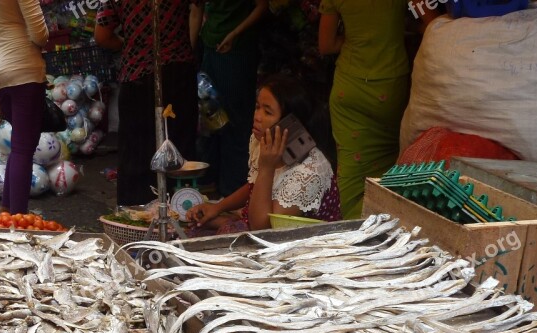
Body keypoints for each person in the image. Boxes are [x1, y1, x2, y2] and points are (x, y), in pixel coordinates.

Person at [318, 0, 440, 219]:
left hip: (349, 88)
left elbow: (326, 45)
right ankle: (383, 228)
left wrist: (355, 39)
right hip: (388, 88)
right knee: (388, 169)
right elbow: (433, 24)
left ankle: (350, 232)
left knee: (350, 171)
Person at [186, 74, 340, 234]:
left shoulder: (308, 172)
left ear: (291, 123)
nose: (257, 117)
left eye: (267, 112)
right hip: (258, 224)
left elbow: (263, 230)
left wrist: (267, 167)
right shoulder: (263, 141)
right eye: (257, 107)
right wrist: (217, 208)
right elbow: (254, 186)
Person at [96, 0, 199, 206]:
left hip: (138, 73)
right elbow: (198, 10)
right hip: (177, 71)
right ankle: (182, 210)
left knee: (136, 150)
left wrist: (128, 45)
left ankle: (135, 215)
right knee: (179, 145)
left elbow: (102, 35)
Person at [0, 0, 48, 216]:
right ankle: (17, 219)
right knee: (24, 149)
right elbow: (40, 34)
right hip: (22, 66)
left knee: (18, 147)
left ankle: (6, 211)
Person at [191, 0, 268, 198]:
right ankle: (208, 180)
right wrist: (190, 53)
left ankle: (233, 189)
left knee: (236, 122)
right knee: (210, 116)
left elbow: (261, 6)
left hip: (237, 53)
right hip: (210, 49)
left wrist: (235, 33)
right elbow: (196, 12)